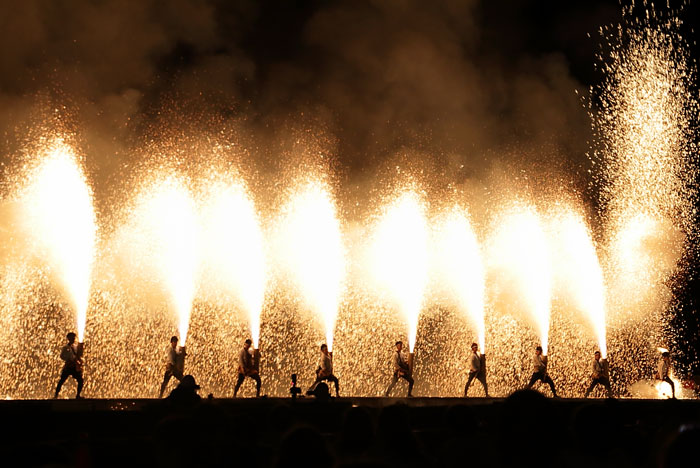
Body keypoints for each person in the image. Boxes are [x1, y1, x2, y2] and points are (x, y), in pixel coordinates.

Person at [54, 332, 84, 399]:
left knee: (80, 380)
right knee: (62, 380)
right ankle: (56, 395)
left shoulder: (76, 347)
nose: (73, 339)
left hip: (75, 367)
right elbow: (62, 356)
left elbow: (80, 355)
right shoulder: (65, 347)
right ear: (68, 338)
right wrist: (68, 359)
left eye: (74, 337)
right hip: (68, 366)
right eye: (71, 337)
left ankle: (78, 395)